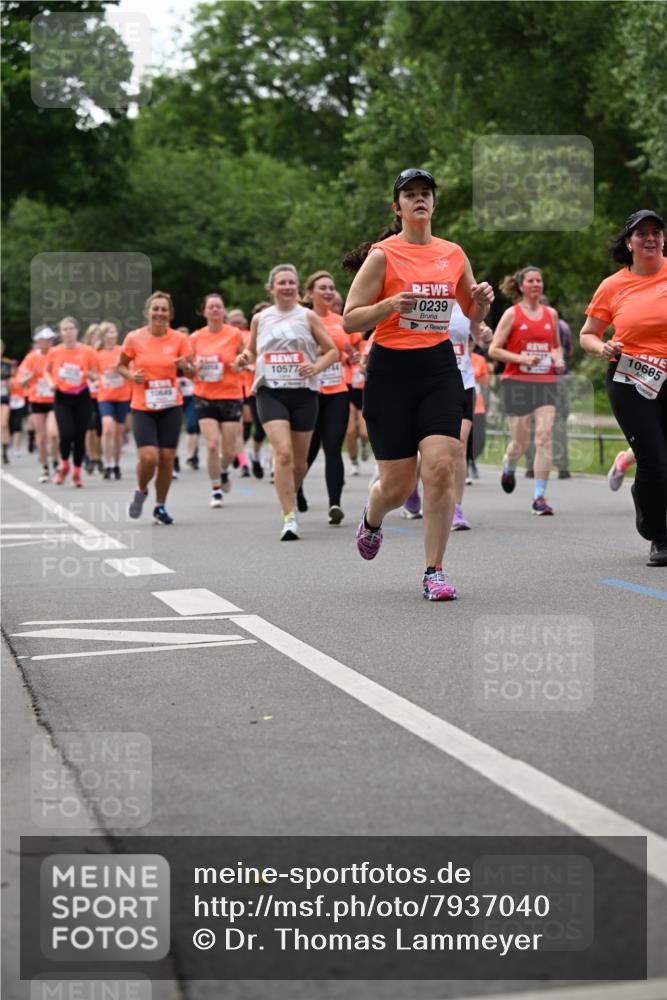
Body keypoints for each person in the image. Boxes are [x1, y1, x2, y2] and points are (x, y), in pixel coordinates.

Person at [342, 167, 493, 599]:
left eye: (426, 193)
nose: (419, 199)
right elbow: (350, 318)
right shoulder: (383, 255)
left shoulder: (453, 253)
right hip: (390, 373)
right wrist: (390, 304)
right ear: (398, 207)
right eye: (410, 194)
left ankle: (434, 572)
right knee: (398, 487)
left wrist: (481, 303)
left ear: (434, 203)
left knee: (442, 466)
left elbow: (472, 314)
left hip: (438, 368)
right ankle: (372, 516)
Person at [580, 209, 667, 566]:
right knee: (654, 461)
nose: (650, 238)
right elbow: (588, 334)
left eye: (656, 232)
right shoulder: (613, 286)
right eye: (642, 233)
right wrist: (602, 347)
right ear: (629, 242)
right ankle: (658, 535)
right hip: (630, 378)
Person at [235, 264, 338, 540]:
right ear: (271, 288)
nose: (287, 287)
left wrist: (315, 367)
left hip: (303, 393)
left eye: (291, 282)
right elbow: (251, 350)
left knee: (300, 463)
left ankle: (289, 493)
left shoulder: (308, 316)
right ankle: (289, 516)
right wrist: (244, 357)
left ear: (297, 287)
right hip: (271, 391)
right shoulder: (260, 318)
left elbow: (332, 351)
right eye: (282, 282)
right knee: (283, 453)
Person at [489, 266, 564, 515]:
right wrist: (521, 359)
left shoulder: (551, 314)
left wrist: (558, 358)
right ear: (521, 286)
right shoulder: (512, 314)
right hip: (517, 383)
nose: (536, 284)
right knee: (519, 444)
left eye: (539, 280)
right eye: (531, 281)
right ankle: (509, 464)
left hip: (545, 382)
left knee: (543, 437)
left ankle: (539, 497)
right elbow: (494, 349)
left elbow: (555, 346)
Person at [118, 291, 193, 524]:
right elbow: (120, 366)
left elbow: (193, 372)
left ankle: (160, 506)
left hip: (170, 405)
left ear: (170, 314)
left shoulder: (179, 339)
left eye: (164, 309)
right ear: (147, 312)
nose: (160, 313)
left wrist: (186, 366)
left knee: (167, 457)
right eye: (156, 309)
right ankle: (141, 489)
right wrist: (132, 376)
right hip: (143, 406)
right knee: (149, 457)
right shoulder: (134, 338)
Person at [301, 270, 358, 525]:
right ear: (310, 293)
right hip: (309, 393)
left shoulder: (342, 321)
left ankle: (335, 504)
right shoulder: (301, 320)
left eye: (331, 288)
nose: (328, 292)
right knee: (310, 449)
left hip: (337, 392)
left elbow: (348, 352)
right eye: (322, 287)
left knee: (333, 447)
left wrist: (352, 357)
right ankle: (296, 489)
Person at [190, 294, 245, 508]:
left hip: (230, 395)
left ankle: (223, 470)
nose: (214, 310)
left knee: (228, 451)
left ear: (224, 311)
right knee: (212, 445)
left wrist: (240, 364)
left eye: (218, 306)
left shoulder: (234, 334)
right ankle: (215, 490)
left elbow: (245, 356)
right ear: (204, 311)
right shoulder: (196, 337)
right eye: (211, 307)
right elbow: (188, 369)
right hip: (204, 395)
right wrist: (192, 367)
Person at [44, 317, 98, 486]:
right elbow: (46, 371)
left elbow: (96, 374)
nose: (68, 332)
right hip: (62, 397)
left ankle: (76, 472)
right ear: (61, 333)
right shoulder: (54, 351)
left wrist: (88, 375)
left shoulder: (88, 351)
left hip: (82, 396)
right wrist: (51, 383)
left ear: (77, 331)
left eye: (71, 328)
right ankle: (64, 465)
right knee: (66, 434)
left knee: (80, 436)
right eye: (65, 329)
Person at [18, 327, 59, 482]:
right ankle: (45, 468)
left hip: (54, 401)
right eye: (45, 340)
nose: (49, 342)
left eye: (50, 340)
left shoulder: (56, 354)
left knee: (53, 434)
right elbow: (21, 382)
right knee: (41, 438)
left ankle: (55, 463)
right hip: (37, 401)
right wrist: (32, 375)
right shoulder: (30, 358)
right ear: (38, 341)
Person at [96, 321, 132, 479]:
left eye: (114, 332)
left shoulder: (122, 351)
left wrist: (121, 371)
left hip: (122, 396)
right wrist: (97, 378)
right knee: (107, 427)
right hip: (105, 396)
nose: (112, 335)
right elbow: (92, 372)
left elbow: (131, 369)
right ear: (103, 336)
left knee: (118, 432)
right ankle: (107, 463)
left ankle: (116, 464)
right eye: (109, 332)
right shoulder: (97, 354)